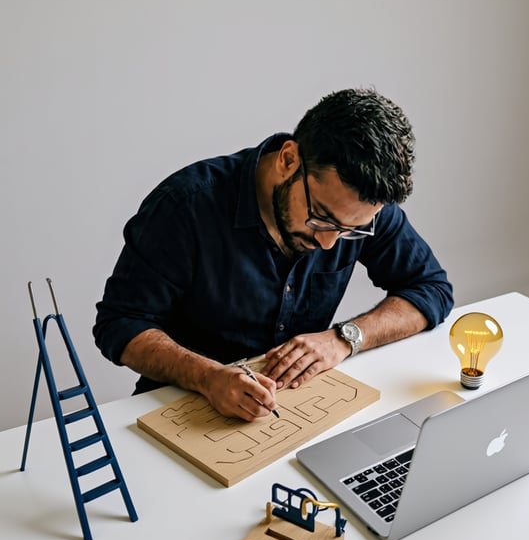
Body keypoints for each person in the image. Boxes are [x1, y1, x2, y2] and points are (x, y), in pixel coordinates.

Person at [94, 88, 453, 422]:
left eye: (351, 231)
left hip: (296, 415)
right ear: (289, 160)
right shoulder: (185, 206)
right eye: (321, 218)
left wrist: (345, 338)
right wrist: (208, 377)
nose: (330, 242)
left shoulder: (357, 209)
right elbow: (121, 323)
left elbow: (431, 288)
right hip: (182, 412)